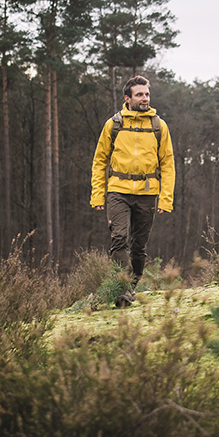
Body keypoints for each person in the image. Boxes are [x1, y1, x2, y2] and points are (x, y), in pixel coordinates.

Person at [90, 75, 175, 306]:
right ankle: (124, 288)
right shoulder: (113, 125)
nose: (144, 98)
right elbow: (100, 161)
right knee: (119, 238)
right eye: (139, 94)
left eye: (147, 94)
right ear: (127, 99)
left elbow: (168, 164)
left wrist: (165, 200)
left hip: (148, 193)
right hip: (118, 190)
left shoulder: (159, 126)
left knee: (139, 247)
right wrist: (98, 194)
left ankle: (132, 286)